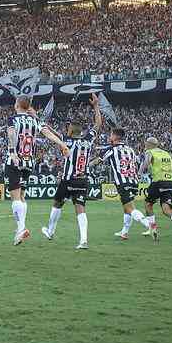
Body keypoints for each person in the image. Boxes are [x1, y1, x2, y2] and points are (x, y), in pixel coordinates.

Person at [5, 96, 69, 246]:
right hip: (29, 161)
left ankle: (21, 229)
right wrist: (62, 144)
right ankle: (20, 230)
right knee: (22, 195)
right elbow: (48, 134)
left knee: (15, 196)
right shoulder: (35, 120)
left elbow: (11, 134)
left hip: (16, 160)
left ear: (17, 105)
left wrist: (12, 151)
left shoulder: (13, 119)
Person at [41, 94, 102, 250]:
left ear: (71, 130)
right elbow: (97, 125)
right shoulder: (88, 141)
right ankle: (83, 240)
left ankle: (51, 231)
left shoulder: (66, 140)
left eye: (68, 128)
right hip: (82, 180)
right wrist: (95, 107)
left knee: (57, 204)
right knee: (80, 208)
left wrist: (41, 121)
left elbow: (52, 133)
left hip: (68, 180)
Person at [95, 128, 157, 240]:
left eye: (111, 135)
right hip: (133, 181)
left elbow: (98, 161)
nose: (110, 137)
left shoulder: (112, 149)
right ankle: (124, 232)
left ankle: (150, 225)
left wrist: (86, 166)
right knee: (126, 207)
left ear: (115, 136)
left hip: (123, 182)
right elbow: (137, 162)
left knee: (129, 208)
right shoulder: (130, 149)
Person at [138, 137, 172, 240]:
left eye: (145, 144)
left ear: (149, 144)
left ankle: (152, 228)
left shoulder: (150, 152)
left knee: (148, 204)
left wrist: (139, 173)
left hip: (158, 182)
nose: (145, 145)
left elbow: (146, 162)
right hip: (170, 183)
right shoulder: (167, 153)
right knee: (166, 209)